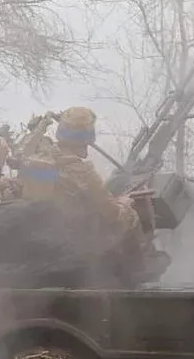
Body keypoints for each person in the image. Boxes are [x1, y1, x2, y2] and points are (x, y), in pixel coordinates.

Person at [48, 106, 147, 258]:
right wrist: (123, 203)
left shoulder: (40, 162)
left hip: (49, 233)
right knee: (130, 216)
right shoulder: (83, 172)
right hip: (80, 239)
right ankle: (138, 269)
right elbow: (111, 213)